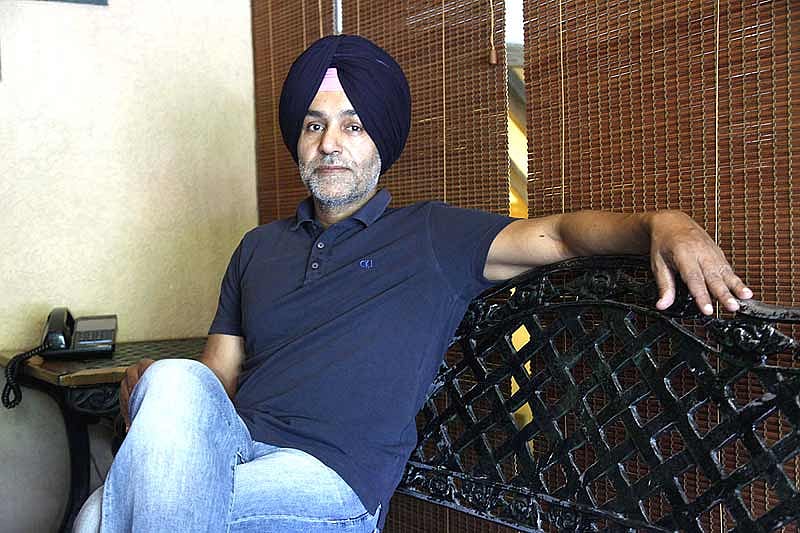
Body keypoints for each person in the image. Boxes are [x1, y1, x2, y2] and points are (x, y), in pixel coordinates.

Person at [77, 35, 751, 533]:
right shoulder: (257, 248)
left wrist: (662, 223)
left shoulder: (431, 235)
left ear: (381, 141)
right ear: (298, 139)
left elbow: (560, 237)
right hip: (236, 452)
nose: (330, 143)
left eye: (353, 124)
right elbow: (214, 384)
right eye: (314, 124)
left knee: (104, 515)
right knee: (172, 382)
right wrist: (157, 399)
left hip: (330, 482)